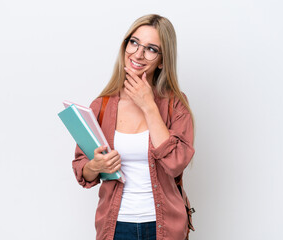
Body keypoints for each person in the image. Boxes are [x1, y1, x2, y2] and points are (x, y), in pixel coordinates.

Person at [72, 14, 195, 240]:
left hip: (164, 227)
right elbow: (83, 170)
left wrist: (149, 106)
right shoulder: (101, 105)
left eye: (151, 49)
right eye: (134, 42)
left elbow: (176, 163)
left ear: (162, 60)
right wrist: (95, 165)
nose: (138, 53)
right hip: (115, 227)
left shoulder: (175, 104)